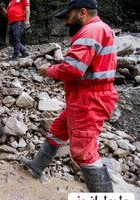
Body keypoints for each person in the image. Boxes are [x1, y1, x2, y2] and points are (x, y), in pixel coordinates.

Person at [21, 0, 118, 192]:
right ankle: (36, 167)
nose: (65, 22)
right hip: (84, 97)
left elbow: (73, 68)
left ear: (82, 12)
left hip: (90, 100)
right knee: (58, 129)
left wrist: (48, 70)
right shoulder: (96, 29)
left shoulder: (92, 31)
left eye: (67, 16)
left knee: (84, 152)